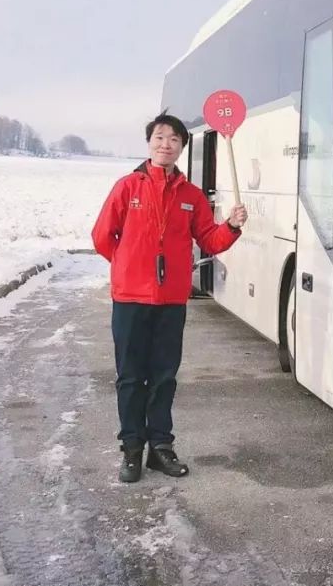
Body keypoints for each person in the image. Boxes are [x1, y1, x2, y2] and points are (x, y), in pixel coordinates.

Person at [91, 112, 248, 483]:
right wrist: (128, 267)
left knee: (164, 377)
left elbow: (210, 239)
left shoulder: (191, 196)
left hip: (171, 302)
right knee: (131, 378)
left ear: (181, 147)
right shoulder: (127, 187)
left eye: (174, 139)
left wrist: (231, 226)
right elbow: (102, 237)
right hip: (130, 301)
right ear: (150, 143)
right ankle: (132, 449)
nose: (166, 144)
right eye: (160, 137)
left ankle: (161, 448)